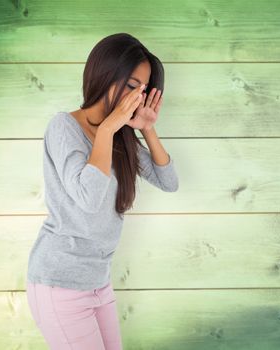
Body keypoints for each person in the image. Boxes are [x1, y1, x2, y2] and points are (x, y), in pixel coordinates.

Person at [25, 33, 179, 349]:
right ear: (107, 73)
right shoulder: (63, 127)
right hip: (60, 284)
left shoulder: (121, 137)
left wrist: (146, 128)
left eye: (143, 89)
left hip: (98, 284)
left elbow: (169, 181)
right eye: (131, 85)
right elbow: (88, 197)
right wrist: (108, 127)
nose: (137, 96)